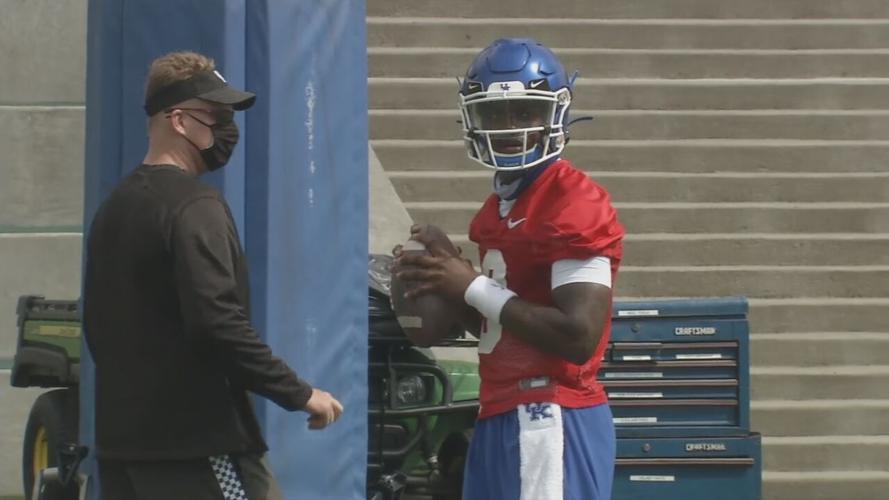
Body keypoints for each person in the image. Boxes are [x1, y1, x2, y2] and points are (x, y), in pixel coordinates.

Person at [83, 51, 343, 500]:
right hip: (195, 447)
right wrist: (299, 393)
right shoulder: (195, 206)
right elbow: (217, 323)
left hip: (122, 449)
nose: (228, 130)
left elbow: (98, 326)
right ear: (179, 121)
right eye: (217, 115)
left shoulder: (113, 208)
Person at [394, 38, 625, 500]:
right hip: (501, 406)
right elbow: (500, 324)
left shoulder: (573, 202)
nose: (509, 128)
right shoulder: (500, 207)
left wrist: (473, 285)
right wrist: (449, 276)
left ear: (555, 114)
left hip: (550, 410)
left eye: (523, 113)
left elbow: (577, 338)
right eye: (495, 115)